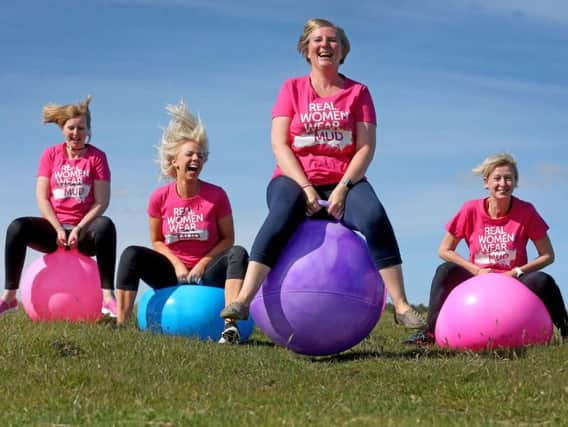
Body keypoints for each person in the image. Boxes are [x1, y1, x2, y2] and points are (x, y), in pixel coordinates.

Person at [221, 17, 426, 329]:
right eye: (318, 40)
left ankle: (400, 304)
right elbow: (280, 145)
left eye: (333, 40)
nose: (325, 45)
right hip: (293, 179)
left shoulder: (359, 92)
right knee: (282, 213)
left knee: (373, 216)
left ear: (342, 51)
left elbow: (366, 148)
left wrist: (343, 188)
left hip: (345, 179)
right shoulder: (291, 88)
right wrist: (306, 189)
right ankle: (244, 299)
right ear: (307, 50)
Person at [115, 101, 248, 344]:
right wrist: (177, 265)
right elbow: (156, 240)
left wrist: (201, 265)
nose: (196, 158)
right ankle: (121, 325)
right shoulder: (159, 197)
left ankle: (230, 326)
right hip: (171, 272)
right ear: (175, 161)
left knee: (239, 253)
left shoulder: (217, 195)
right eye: (190, 154)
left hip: (206, 274)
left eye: (200, 155)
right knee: (131, 254)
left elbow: (229, 239)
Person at [405, 153, 568, 345]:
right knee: (445, 270)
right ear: (486, 182)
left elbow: (548, 255)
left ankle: (565, 330)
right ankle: (430, 333)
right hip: (477, 278)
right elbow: (444, 250)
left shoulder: (526, 211)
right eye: (497, 178)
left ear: (515, 182)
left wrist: (516, 271)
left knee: (542, 280)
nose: (503, 183)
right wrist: (476, 270)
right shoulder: (470, 209)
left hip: (514, 280)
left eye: (508, 178)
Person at [0, 96, 118, 317]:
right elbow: (42, 198)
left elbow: (101, 201)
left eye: (81, 128)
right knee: (17, 227)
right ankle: (9, 298)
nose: (76, 133)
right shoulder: (50, 154)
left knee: (106, 226)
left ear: (88, 129)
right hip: (53, 229)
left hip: (83, 233)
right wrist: (57, 229)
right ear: (62, 129)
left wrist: (79, 229)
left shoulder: (97, 157)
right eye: (71, 128)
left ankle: (107, 297)